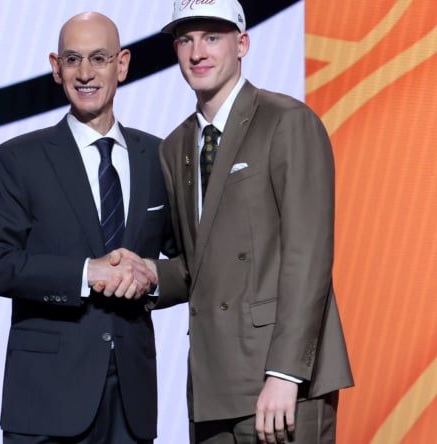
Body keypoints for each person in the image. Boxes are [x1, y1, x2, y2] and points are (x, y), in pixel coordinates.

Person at [143, 1, 355, 442]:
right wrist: (147, 275)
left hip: (281, 380)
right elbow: (199, 266)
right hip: (213, 383)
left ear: (242, 44)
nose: (197, 52)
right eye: (186, 40)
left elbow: (307, 255)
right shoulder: (175, 147)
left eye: (212, 37)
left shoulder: (287, 121)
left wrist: (285, 373)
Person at [0, 12, 175, 444]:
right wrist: (86, 272)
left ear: (121, 65)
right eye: (72, 59)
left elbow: (189, 262)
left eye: (98, 58)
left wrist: (151, 276)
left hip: (132, 403)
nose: (85, 73)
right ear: (56, 67)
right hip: (46, 400)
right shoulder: (18, 159)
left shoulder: (159, 158)